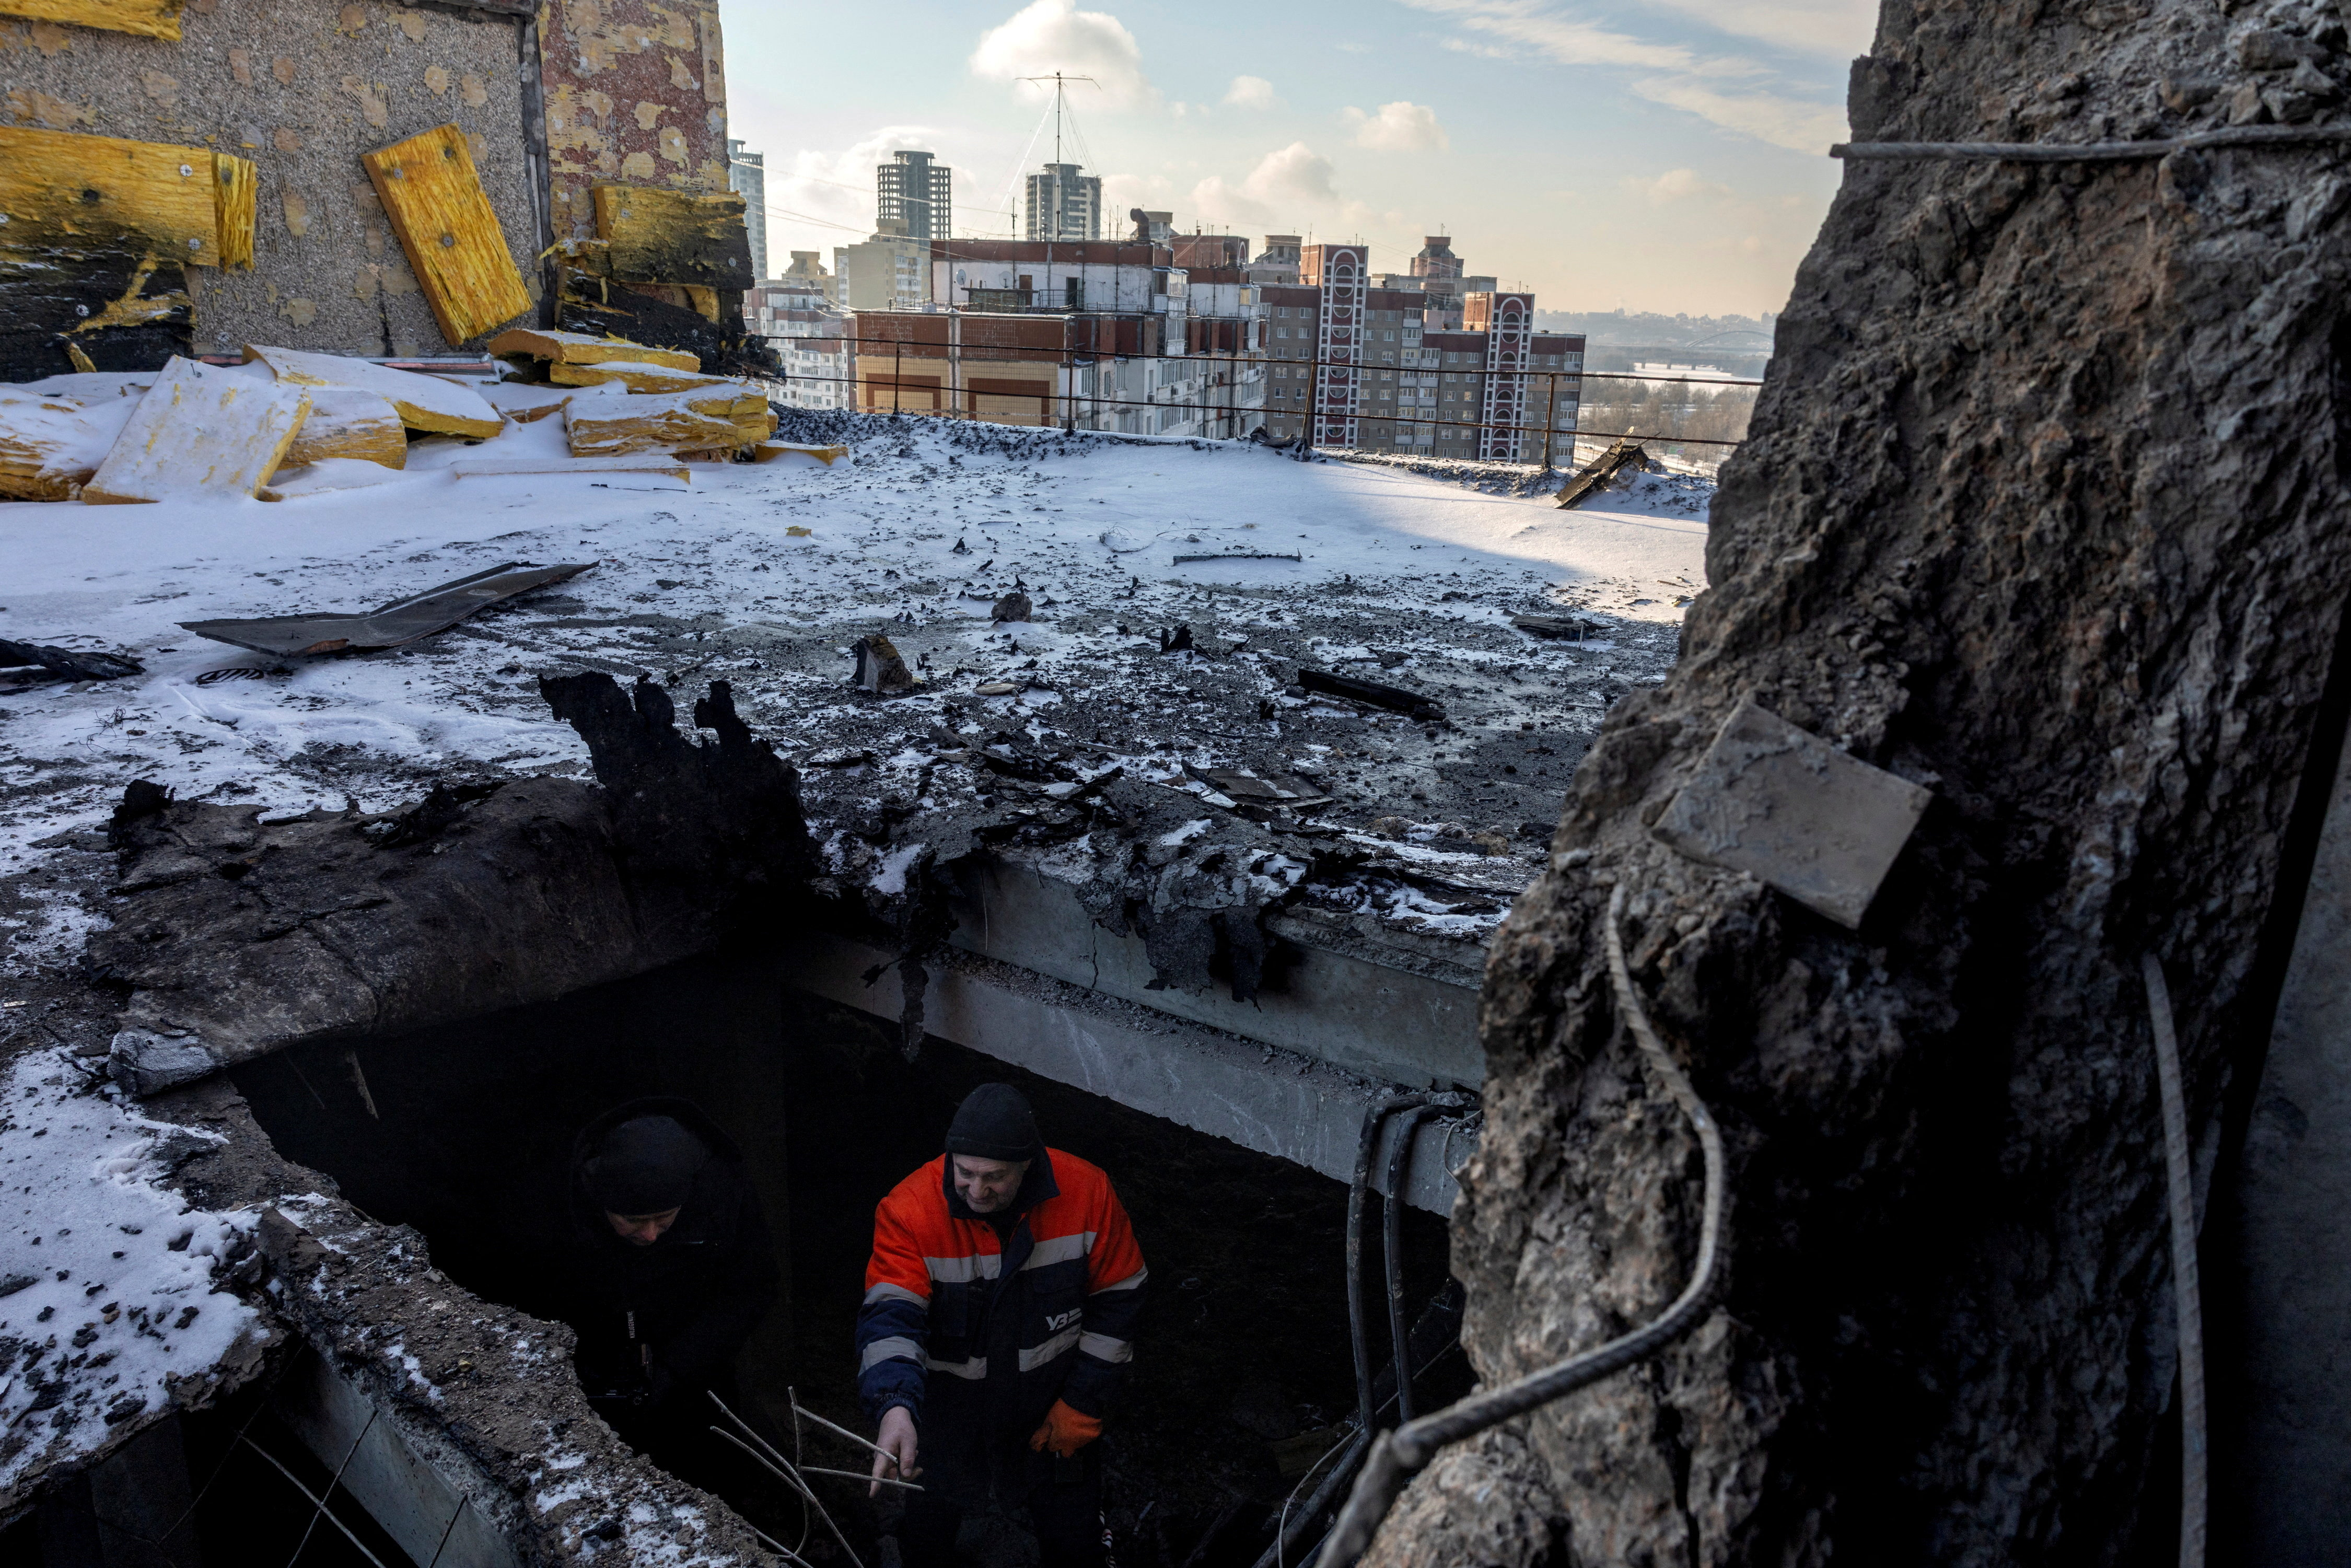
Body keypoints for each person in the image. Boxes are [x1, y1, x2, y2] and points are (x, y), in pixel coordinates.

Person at [857, 1084, 1146, 1567]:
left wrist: (1081, 1404)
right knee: (927, 1541)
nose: (975, 1190)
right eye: (965, 1172)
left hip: (1053, 1408)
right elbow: (891, 1319)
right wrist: (895, 1406)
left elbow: (1120, 1303)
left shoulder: (1088, 1193)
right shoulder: (909, 1210)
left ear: (1028, 1164)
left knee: (1076, 1545)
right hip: (950, 1417)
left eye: (994, 1177)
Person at [508, 1097, 784, 1521]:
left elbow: (751, 1287)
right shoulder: (562, 1205)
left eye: (664, 1218)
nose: (651, 1235)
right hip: (599, 1365)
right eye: (633, 1221)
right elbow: (536, 1290)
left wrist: (679, 1365)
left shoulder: (721, 1193)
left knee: (706, 1476)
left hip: (695, 1365)